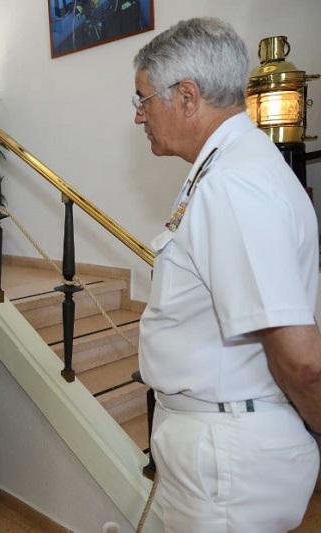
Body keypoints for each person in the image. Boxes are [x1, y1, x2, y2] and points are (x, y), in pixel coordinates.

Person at [133, 18, 321, 531]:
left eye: (144, 99)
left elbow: (302, 359)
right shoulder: (227, 168)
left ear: (187, 96)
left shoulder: (235, 184)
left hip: (229, 458)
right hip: (220, 444)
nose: (139, 116)